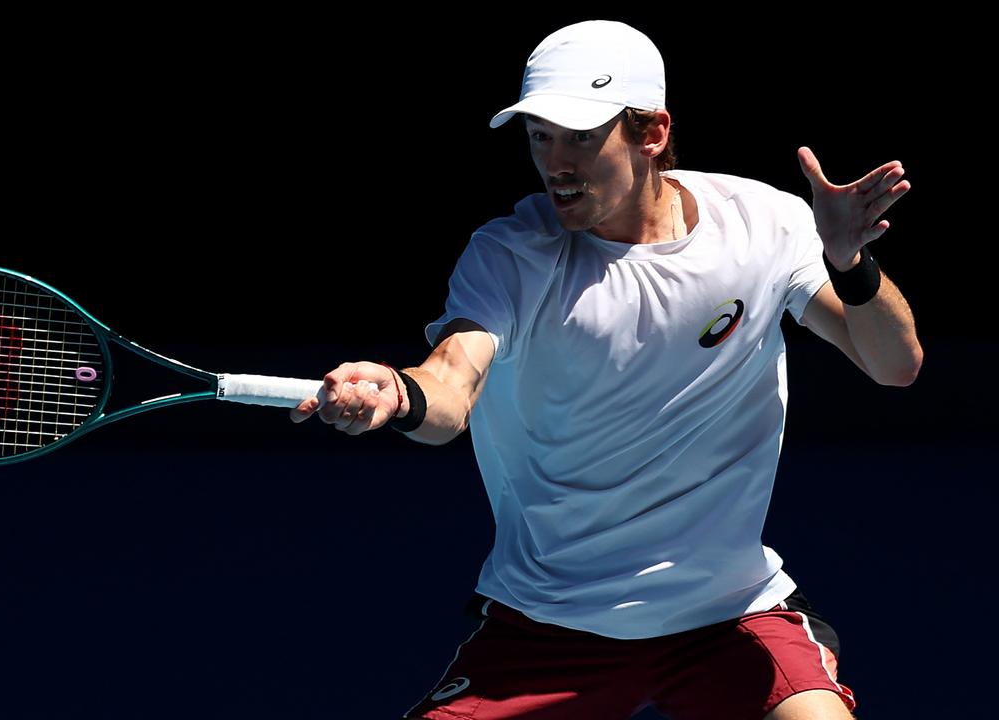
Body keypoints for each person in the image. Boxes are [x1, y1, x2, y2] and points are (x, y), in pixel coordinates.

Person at [291, 19, 921, 720]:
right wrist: (399, 393)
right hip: (548, 623)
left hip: (727, 613)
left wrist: (849, 262)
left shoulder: (763, 226)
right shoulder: (512, 256)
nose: (556, 161)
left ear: (651, 134)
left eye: (581, 137)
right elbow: (449, 387)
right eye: (539, 136)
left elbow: (894, 365)